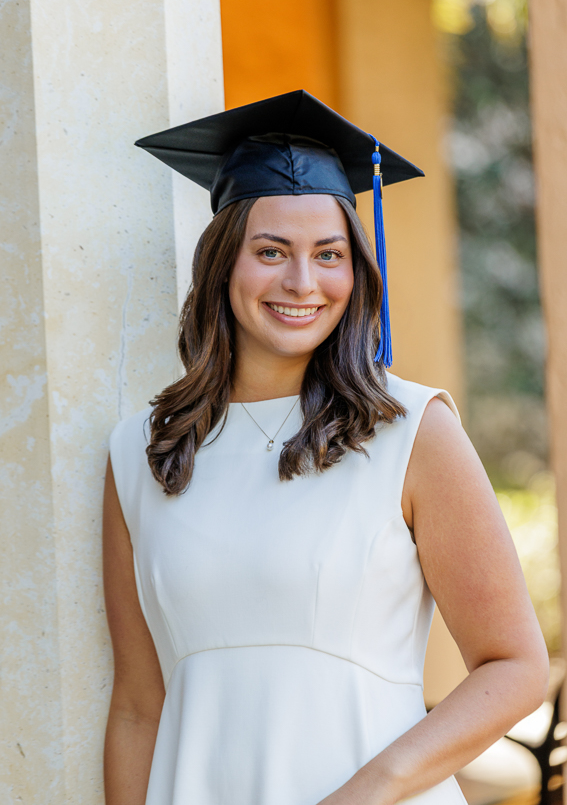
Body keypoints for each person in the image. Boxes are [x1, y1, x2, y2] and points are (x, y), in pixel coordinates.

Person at [102, 90, 549, 805]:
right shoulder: (141, 452)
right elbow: (136, 704)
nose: (301, 283)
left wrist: (361, 794)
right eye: (270, 251)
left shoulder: (411, 428)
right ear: (222, 267)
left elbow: (514, 666)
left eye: (328, 254)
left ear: (354, 271)